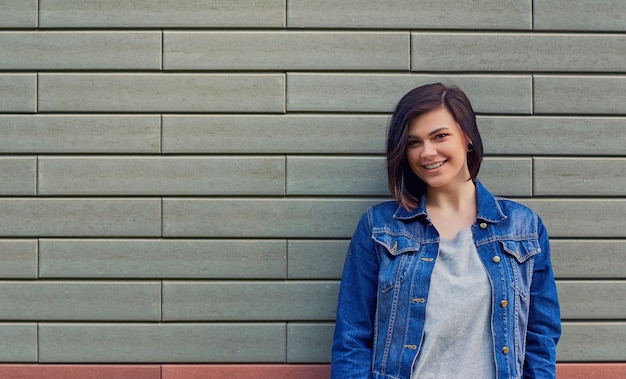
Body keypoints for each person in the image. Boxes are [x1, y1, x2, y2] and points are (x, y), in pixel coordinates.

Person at [331, 83, 561, 379]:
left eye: (440, 136)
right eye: (414, 142)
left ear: (467, 138)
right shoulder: (380, 228)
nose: (427, 152)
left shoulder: (523, 228)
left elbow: (540, 339)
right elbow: (353, 337)